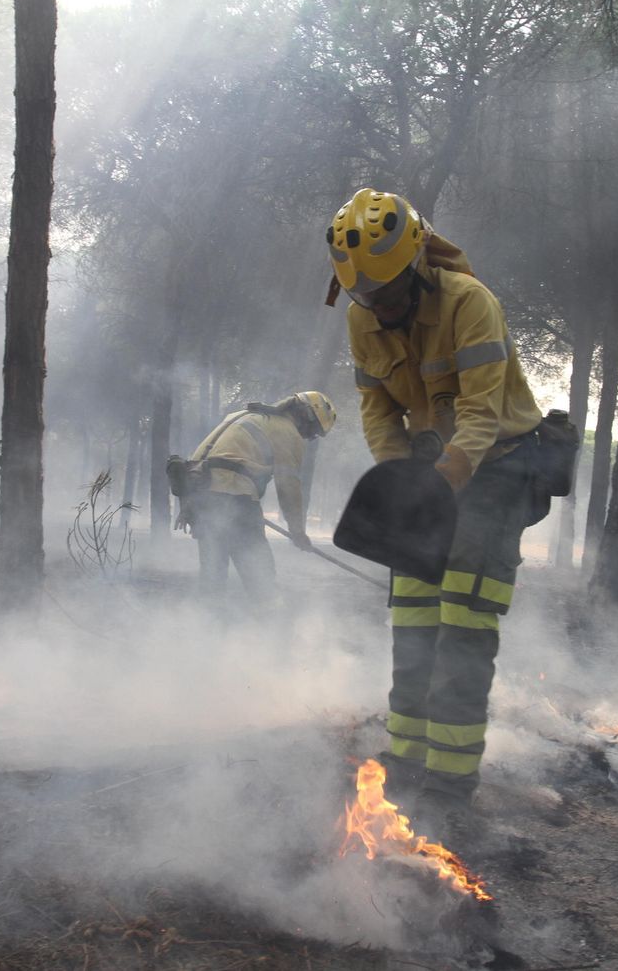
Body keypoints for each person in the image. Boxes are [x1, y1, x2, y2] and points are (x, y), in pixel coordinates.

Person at [325, 187, 549, 827]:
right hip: (426, 472)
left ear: (419, 265)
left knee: (464, 625)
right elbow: (377, 410)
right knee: (414, 618)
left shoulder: (471, 303)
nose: (382, 308)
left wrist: (444, 479)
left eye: (391, 291)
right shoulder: (363, 318)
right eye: (367, 297)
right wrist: (400, 479)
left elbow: (481, 412)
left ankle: (450, 785)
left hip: (498, 468)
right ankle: (405, 760)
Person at [176, 391, 337, 598]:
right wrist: (297, 531)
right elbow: (288, 485)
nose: (307, 437)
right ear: (307, 416)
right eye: (313, 432)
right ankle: (267, 615)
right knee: (260, 575)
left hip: (200, 497)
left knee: (212, 574)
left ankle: (208, 616)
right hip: (235, 496)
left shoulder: (244, 415)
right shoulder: (287, 431)